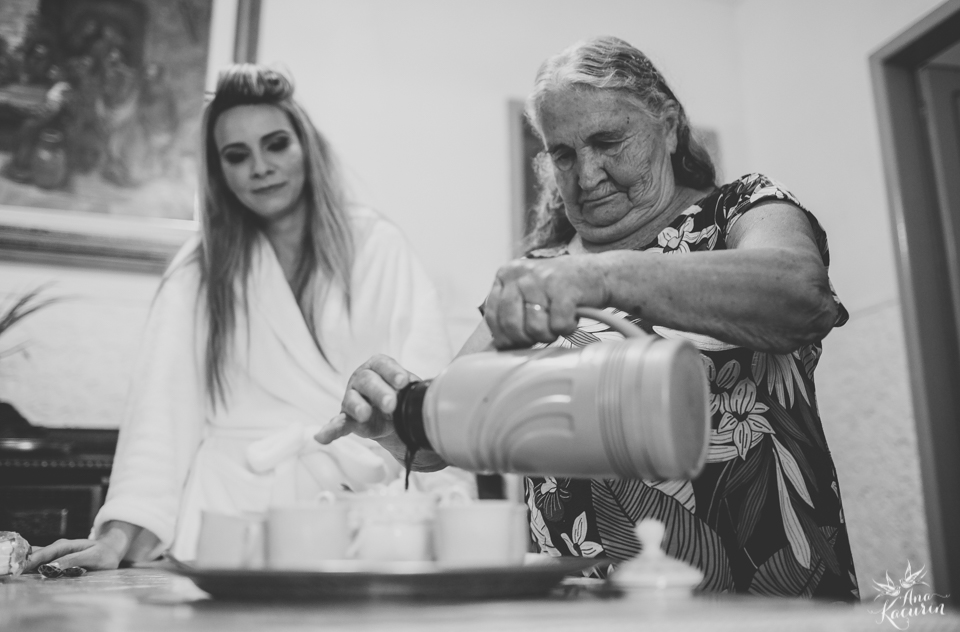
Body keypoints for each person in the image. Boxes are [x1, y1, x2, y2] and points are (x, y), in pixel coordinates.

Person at [319, 36, 859, 601]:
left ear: (668, 126)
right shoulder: (538, 272)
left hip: (770, 597)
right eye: (564, 153)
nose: (587, 173)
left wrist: (606, 276)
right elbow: (448, 431)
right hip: (583, 608)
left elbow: (802, 296)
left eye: (608, 141)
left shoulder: (740, 211)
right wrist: (399, 419)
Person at [26, 64, 453, 571]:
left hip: (353, 512)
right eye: (237, 155)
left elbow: (426, 396)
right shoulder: (198, 268)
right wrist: (118, 535)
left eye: (275, 144)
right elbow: (161, 413)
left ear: (306, 147)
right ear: (219, 172)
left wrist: (449, 503)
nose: (260, 167)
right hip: (228, 518)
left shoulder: (377, 247)